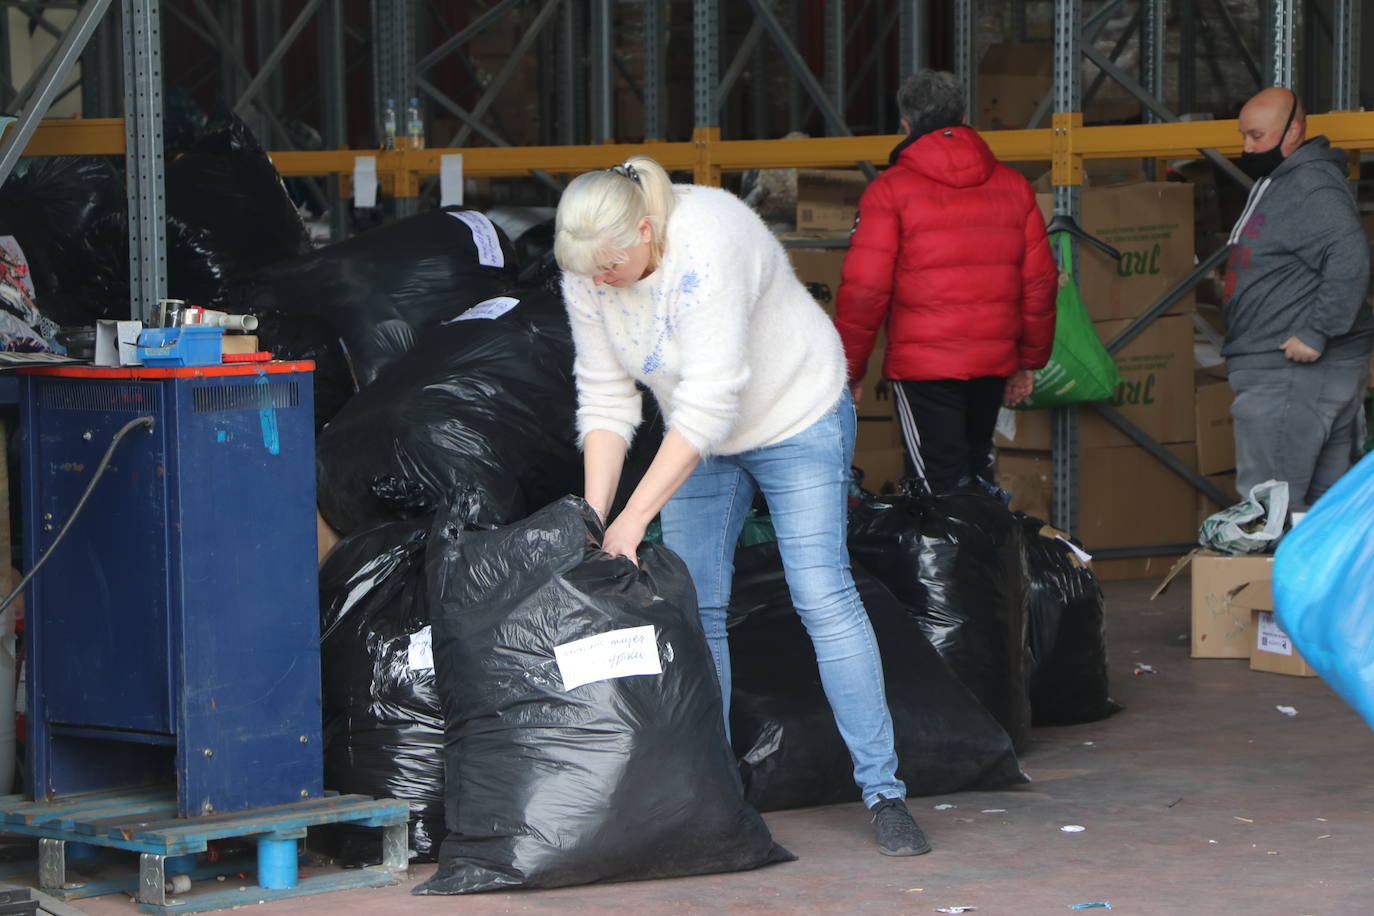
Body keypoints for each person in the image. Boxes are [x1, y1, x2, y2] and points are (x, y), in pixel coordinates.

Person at [554, 156, 929, 857]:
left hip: (796, 413)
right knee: (699, 604)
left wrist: (636, 518)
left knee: (821, 592)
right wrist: (595, 516)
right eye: (586, 271)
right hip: (704, 437)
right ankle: (714, 794)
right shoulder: (590, 272)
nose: (598, 281)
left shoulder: (709, 238)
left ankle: (885, 792)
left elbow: (708, 400)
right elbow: (605, 397)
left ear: (644, 230)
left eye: (608, 266)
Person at [835, 70, 1057, 495]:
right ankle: (987, 559)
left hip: (923, 368)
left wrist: (849, 369)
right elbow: (1040, 284)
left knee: (936, 487)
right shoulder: (1014, 187)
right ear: (965, 115)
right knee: (976, 473)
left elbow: (865, 289)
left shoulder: (889, 191)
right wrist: (1027, 359)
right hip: (992, 359)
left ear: (905, 124)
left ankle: (955, 560)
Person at [1223, 87, 1372, 511]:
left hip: (1291, 369)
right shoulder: (1286, 181)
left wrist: (1316, 331)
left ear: (1293, 133)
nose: (1246, 147)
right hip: (1287, 369)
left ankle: (1268, 579)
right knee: (1318, 510)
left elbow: (1350, 256)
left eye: (1256, 136)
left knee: (1270, 508)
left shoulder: (1309, 184)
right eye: (1244, 136)